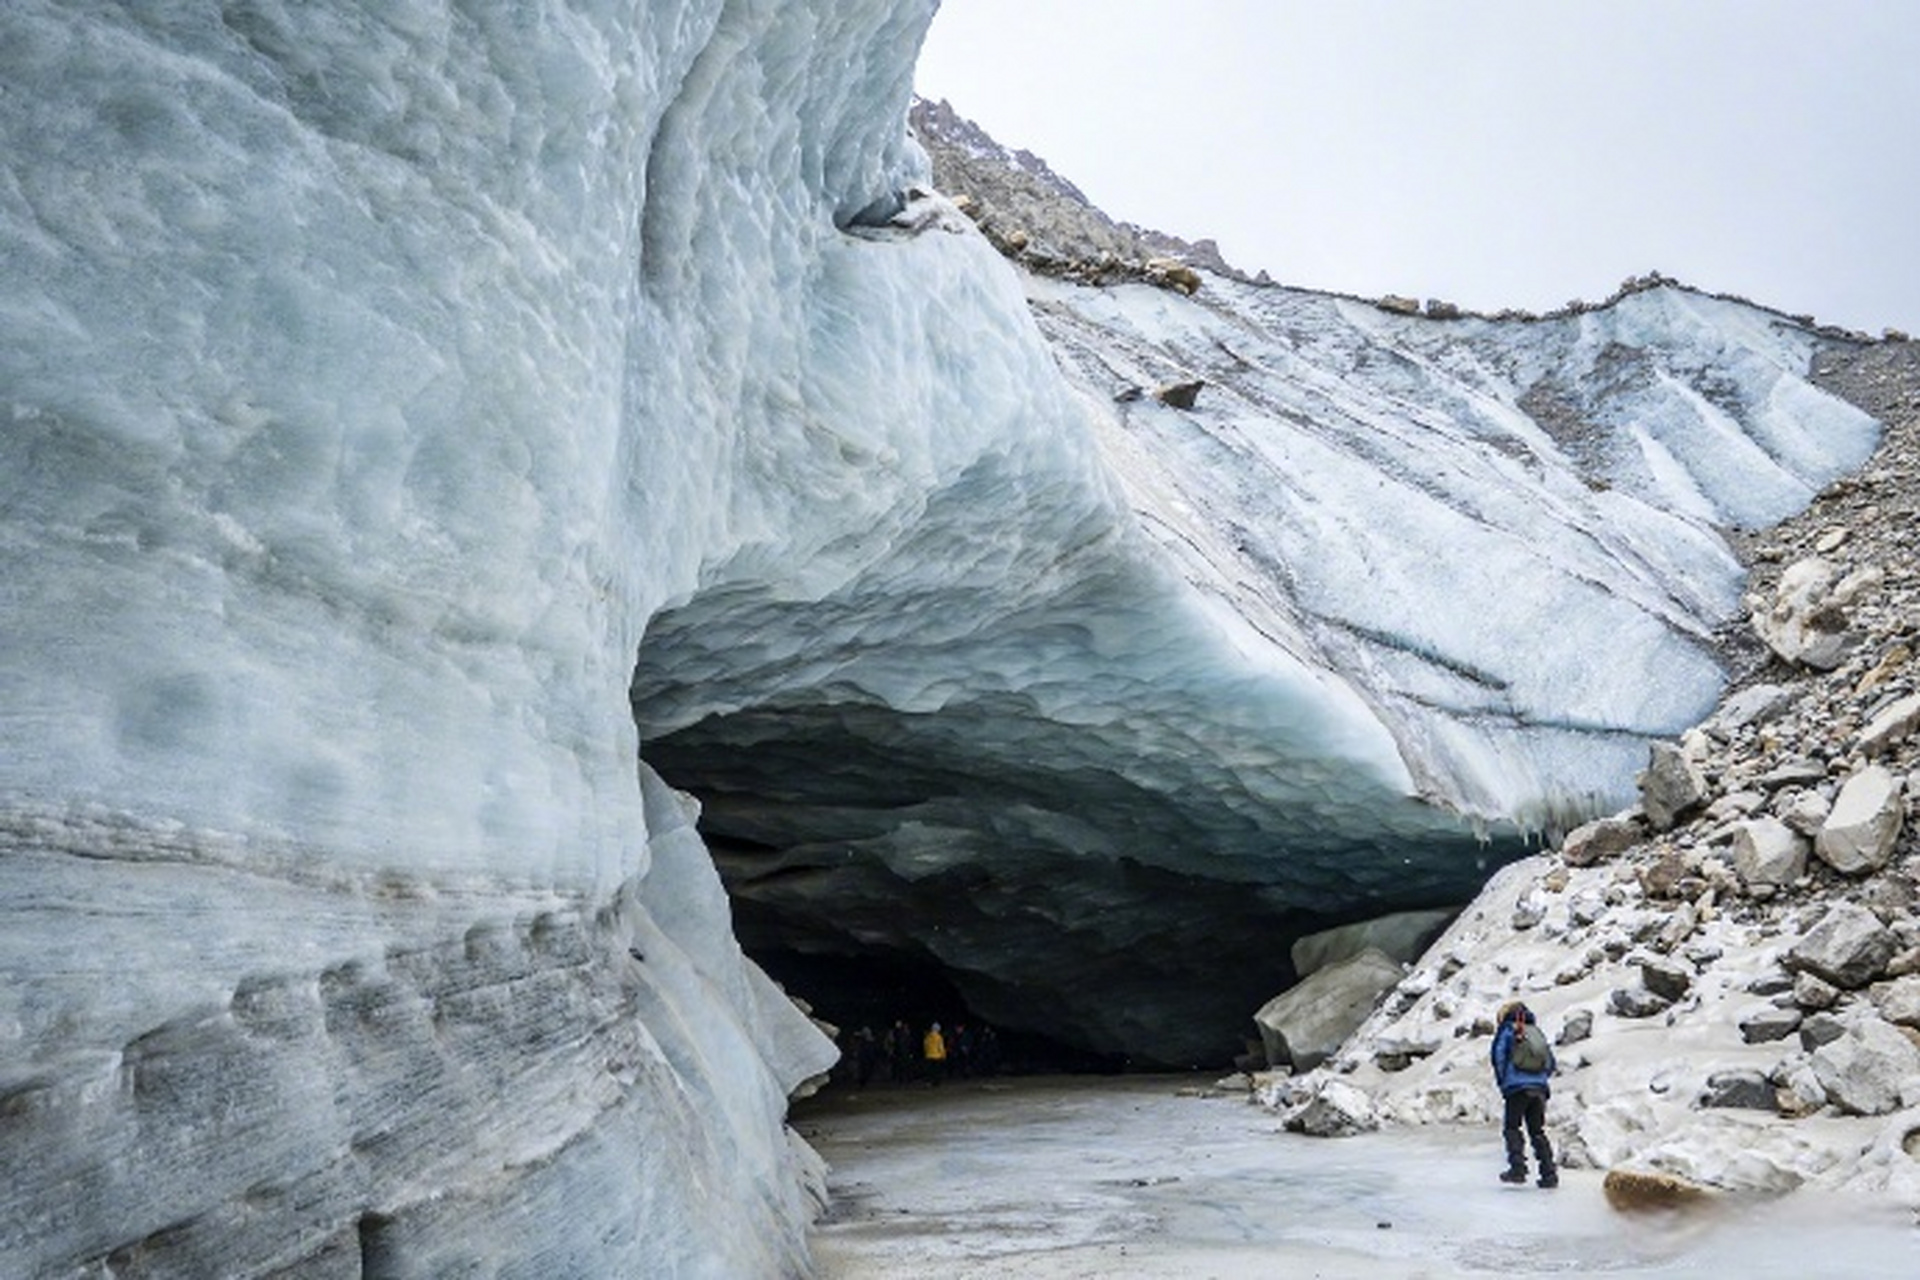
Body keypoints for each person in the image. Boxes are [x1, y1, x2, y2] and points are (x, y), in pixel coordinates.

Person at [1490, 1001, 1557, 1188]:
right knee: (1537, 1131)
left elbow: (1498, 1056)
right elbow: (1550, 1062)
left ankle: (1517, 1169)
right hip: (1539, 1089)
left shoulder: (1507, 1030)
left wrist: (1504, 1082)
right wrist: (1540, 1080)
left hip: (1517, 1088)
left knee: (1512, 1128)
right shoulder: (1535, 1031)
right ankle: (1549, 1173)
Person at [922, 1021, 948, 1085]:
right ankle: (936, 1082)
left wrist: (926, 1053)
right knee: (937, 1071)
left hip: (929, 1055)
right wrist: (944, 1055)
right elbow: (941, 1047)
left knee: (930, 1070)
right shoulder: (939, 1037)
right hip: (937, 1056)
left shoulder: (927, 1037)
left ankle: (930, 1081)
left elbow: (925, 1046)